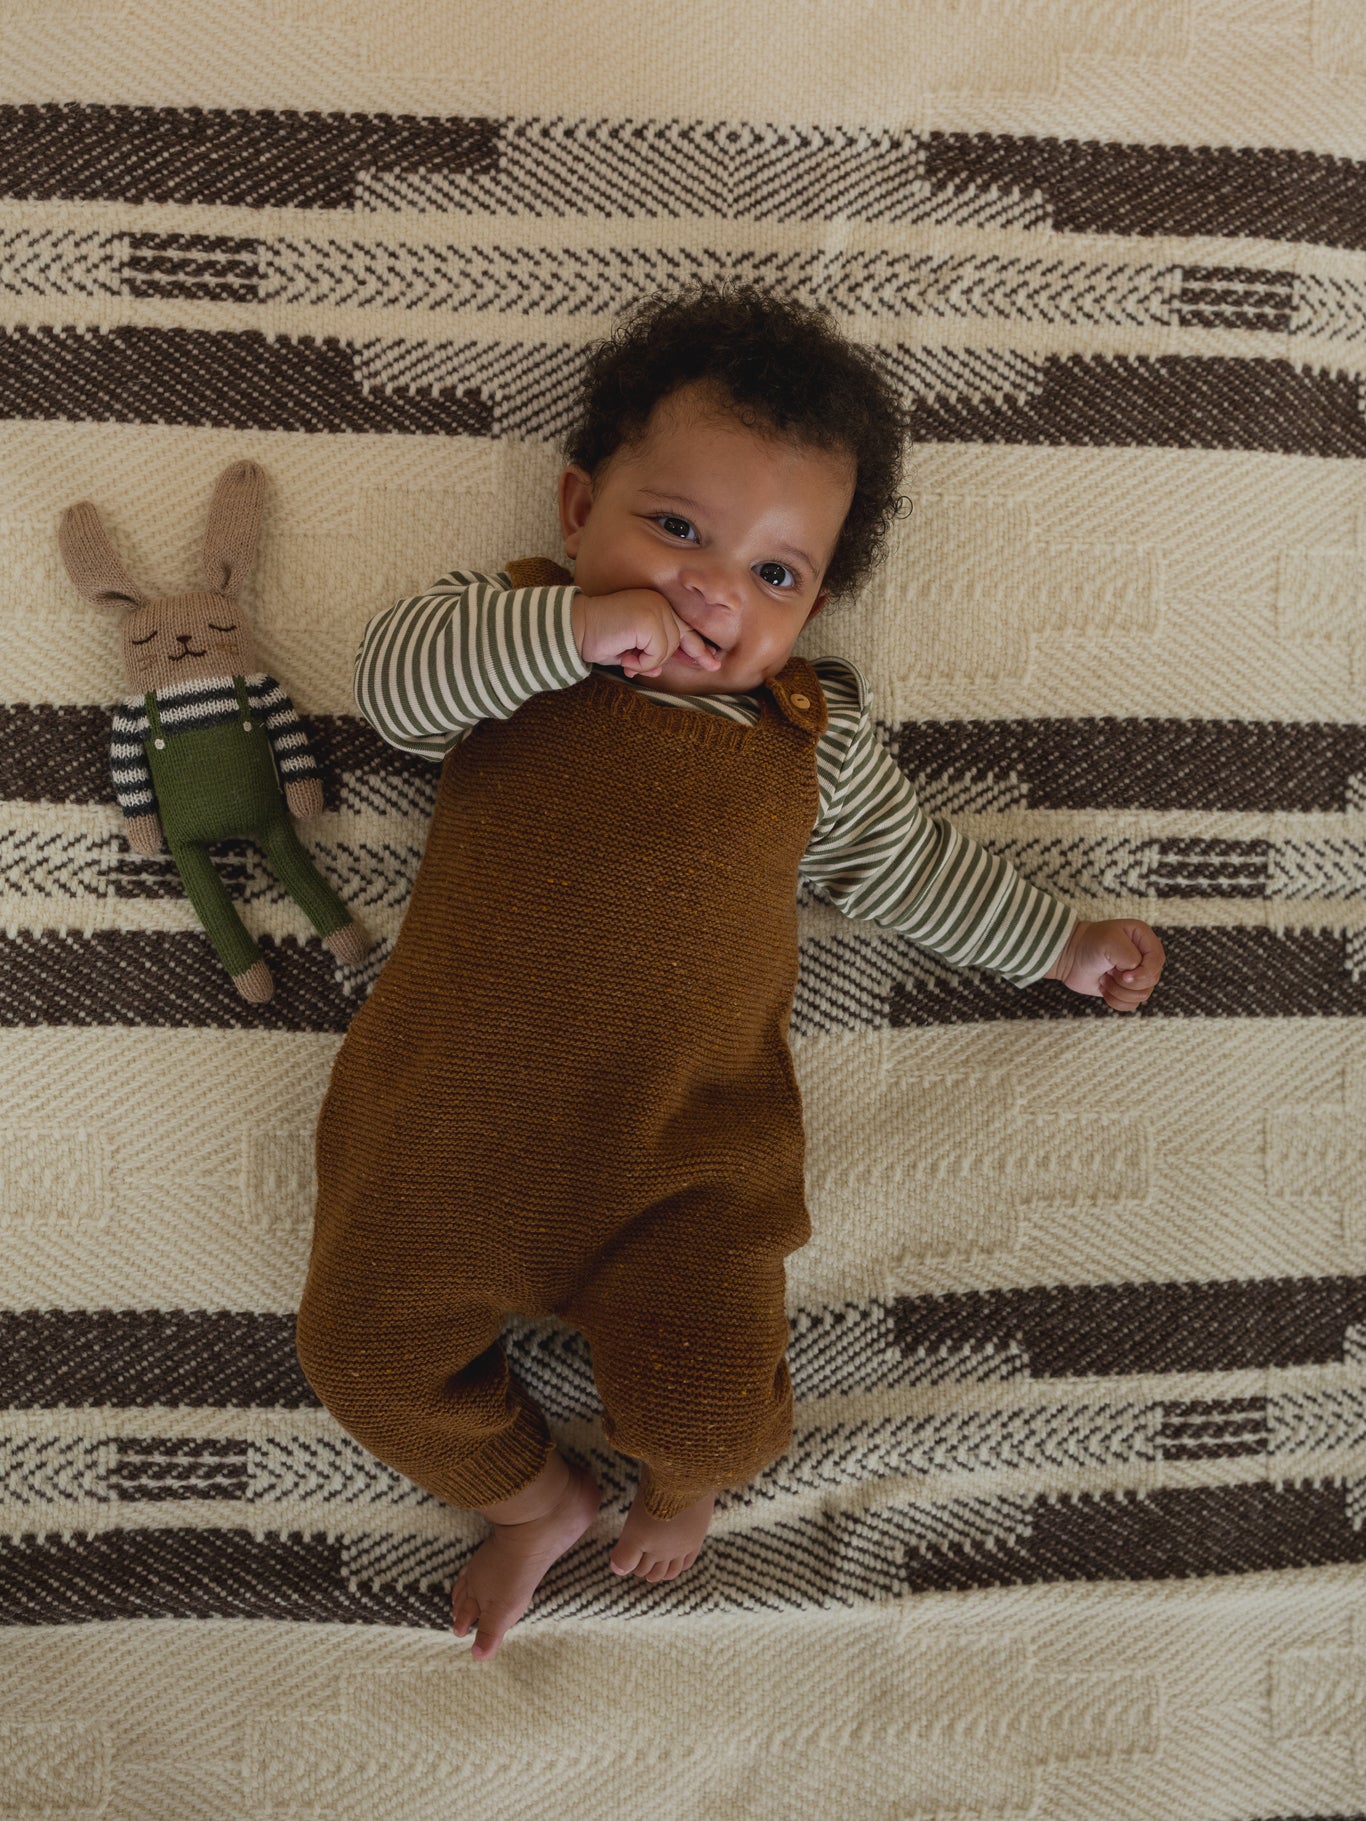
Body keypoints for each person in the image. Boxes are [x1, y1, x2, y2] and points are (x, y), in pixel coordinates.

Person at [295, 283, 1165, 1665]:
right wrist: (570, 632)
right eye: (677, 530)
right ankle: (536, 1497)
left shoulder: (811, 741)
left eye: (775, 575)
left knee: (712, 1410)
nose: (711, 590)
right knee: (361, 1357)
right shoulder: (512, 636)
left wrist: (1057, 943)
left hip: (685, 1167)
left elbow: (907, 870)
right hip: (445, 1135)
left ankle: (675, 1486)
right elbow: (394, 687)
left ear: (814, 604)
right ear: (578, 509)